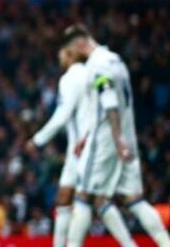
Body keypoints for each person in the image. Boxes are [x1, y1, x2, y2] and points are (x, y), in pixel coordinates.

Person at [62, 24, 170, 247]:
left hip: (107, 139)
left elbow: (108, 98)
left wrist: (116, 137)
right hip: (125, 137)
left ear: (81, 43)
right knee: (133, 199)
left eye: (74, 50)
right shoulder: (115, 60)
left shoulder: (98, 65)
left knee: (83, 195)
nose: (75, 56)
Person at [26, 46, 129, 247]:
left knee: (94, 200)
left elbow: (62, 115)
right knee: (65, 198)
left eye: (62, 53)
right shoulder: (94, 73)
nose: (60, 58)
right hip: (83, 145)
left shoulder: (70, 78)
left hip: (87, 147)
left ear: (71, 54)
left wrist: (37, 140)